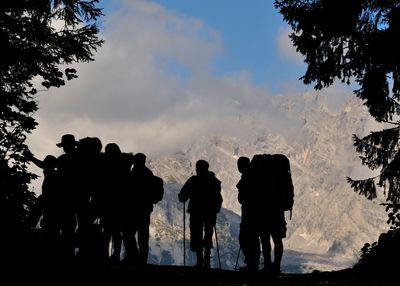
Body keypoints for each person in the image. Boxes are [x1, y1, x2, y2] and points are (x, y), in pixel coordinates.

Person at [178, 159, 223, 269]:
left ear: (198, 168)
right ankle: (206, 261)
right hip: (210, 212)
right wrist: (215, 209)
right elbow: (219, 198)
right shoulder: (214, 181)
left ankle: (200, 261)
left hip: (196, 211)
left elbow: (182, 196)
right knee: (208, 233)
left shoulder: (194, 180)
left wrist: (184, 197)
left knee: (196, 234)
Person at [236, 156, 260, 272]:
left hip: (249, 212)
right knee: (253, 238)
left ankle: (252, 264)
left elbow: (243, 198)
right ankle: (253, 263)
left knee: (246, 238)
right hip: (256, 212)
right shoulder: (256, 176)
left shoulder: (247, 177)